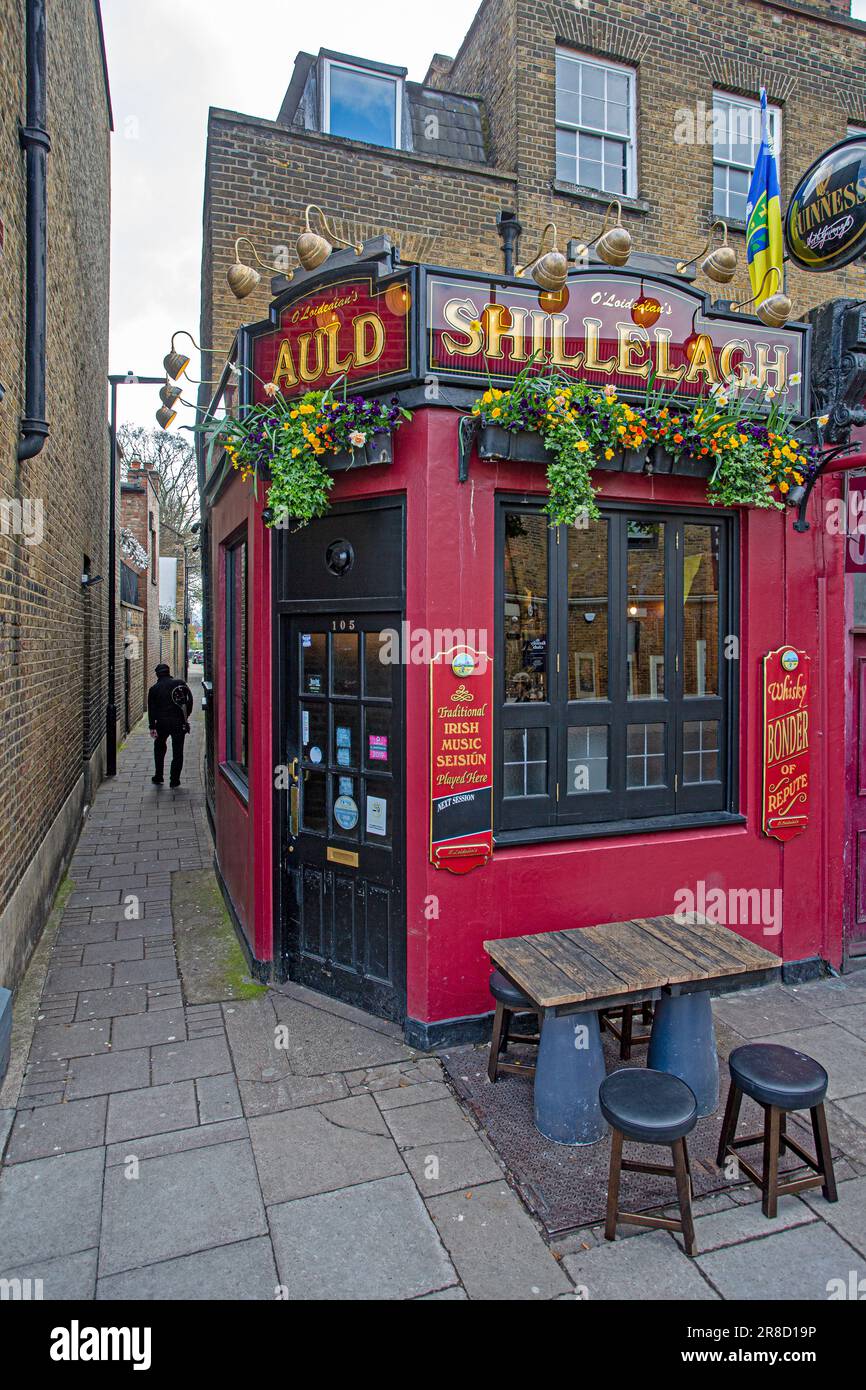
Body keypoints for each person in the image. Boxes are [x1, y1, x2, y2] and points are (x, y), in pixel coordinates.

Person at [148, 663, 193, 788]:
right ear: (168, 672)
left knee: (159, 749)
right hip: (178, 723)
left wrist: (152, 726)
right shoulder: (179, 684)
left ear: (157, 674)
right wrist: (186, 716)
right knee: (178, 752)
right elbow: (189, 700)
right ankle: (174, 780)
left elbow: (151, 710)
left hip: (161, 724)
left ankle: (158, 776)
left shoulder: (154, 689)